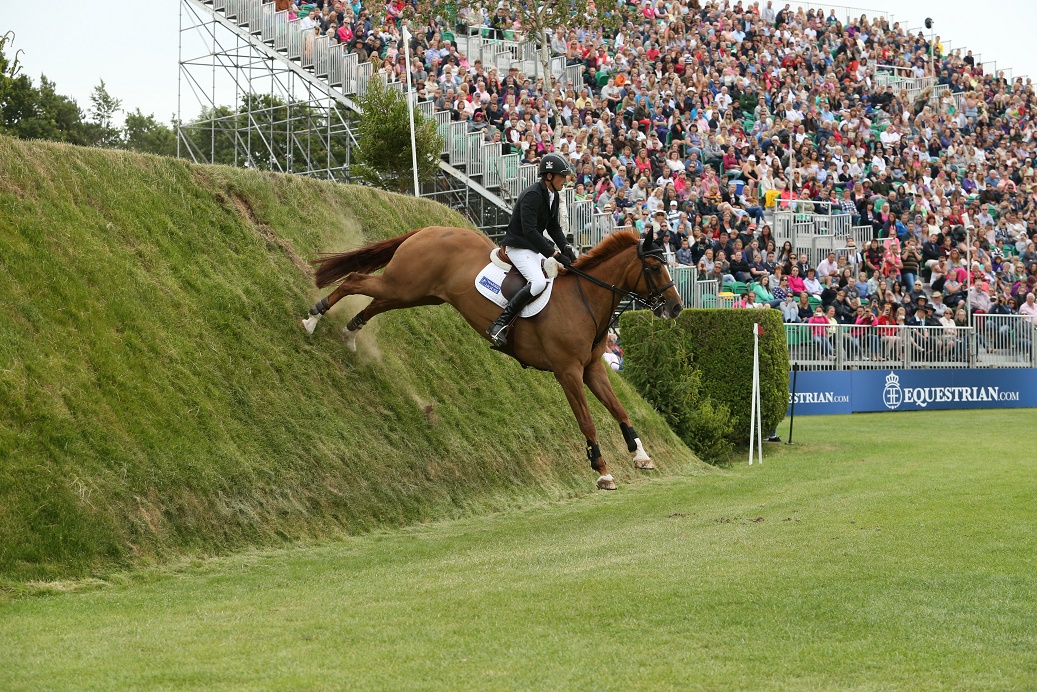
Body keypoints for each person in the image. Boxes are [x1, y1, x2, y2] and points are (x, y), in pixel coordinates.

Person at [488, 153, 576, 346]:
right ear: (549, 176)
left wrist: (566, 247)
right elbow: (529, 231)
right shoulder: (533, 195)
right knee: (537, 283)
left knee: (553, 279)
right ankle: (500, 324)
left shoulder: (553, 194)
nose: (566, 180)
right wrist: (554, 254)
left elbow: (553, 227)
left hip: (532, 249)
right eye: (563, 176)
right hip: (518, 246)